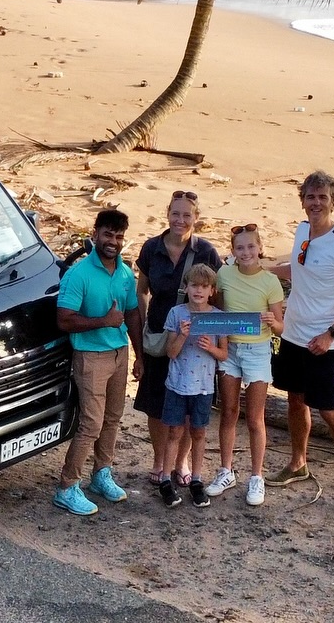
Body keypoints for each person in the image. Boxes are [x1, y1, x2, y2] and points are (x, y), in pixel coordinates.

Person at [267, 170, 334, 507]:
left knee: (328, 409)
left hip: (324, 341)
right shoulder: (302, 232)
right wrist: (262, 269)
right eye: (310, 197)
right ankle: (298, 463)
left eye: (322, 197)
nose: (316, 203)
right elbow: (298, 269)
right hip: (293, 334)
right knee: (295, 399)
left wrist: (331, 333)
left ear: (332, 201)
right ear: (303, 201)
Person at [53, 208, 144, 517]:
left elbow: (131, 313)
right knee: (91, 423)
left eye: (119, 237)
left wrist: (139, 356)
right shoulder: (79, 274)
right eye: (108, 234)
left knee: (113, 418)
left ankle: (101, 474)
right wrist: (103, 321)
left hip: (120, 355)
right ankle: (67, 487)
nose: (113, 242)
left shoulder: (123, 273)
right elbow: (64, 320)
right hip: (90, 357)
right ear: (95, 235)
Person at [133, 191, 222, 488]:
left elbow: (217, 294)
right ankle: (160, 460)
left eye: (187, 215)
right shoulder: (151, 248)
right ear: (167, 214)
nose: (180, 220)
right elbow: (141, 292)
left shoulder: (206, 251)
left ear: (196, 218)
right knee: (156, 401)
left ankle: (181, 461)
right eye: (176, 213)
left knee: (187, 403)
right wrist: (143, 330)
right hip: (161, 334)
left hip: (195, 342)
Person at [206, 225, 285, 506]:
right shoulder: (224, 274)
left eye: (251, 247)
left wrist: (271, 322)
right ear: (233, 252)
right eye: (240, 248)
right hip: (230, 349)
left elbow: (280, 327)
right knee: (228, 411)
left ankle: (256, 476)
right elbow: (216, 306)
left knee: (255, 418)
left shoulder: (270, 282)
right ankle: (226, 470)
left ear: (260, 248)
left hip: (257, 351)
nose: (246, 252)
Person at [159, 264, 229, 507]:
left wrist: (210, 347)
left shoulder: (218, 317)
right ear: (186, 287)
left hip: (204, 387)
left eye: (204, 286)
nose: (198, 290)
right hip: (177, 384)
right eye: (194, 285)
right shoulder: (177, 314)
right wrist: (182, 335)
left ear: (212, 290)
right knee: (174, 432)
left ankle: (197, 480)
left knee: (199, 433)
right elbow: (171, 352)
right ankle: (165, 480)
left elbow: (223, 355)